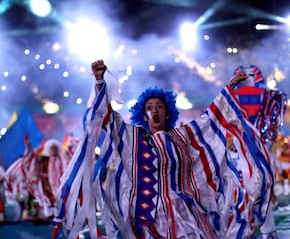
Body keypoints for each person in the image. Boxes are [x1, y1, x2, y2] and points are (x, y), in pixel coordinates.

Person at [53, 60, 274, 239]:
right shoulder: (132, 136)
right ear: (143, 114)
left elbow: (211, 118)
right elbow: (106, 118)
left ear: (167, 113)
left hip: (184, 213)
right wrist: (100, 81)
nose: (154, 111)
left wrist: (231, 85)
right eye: (149, 108)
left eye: (159, 107)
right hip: (145, 217)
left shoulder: (182, 136)